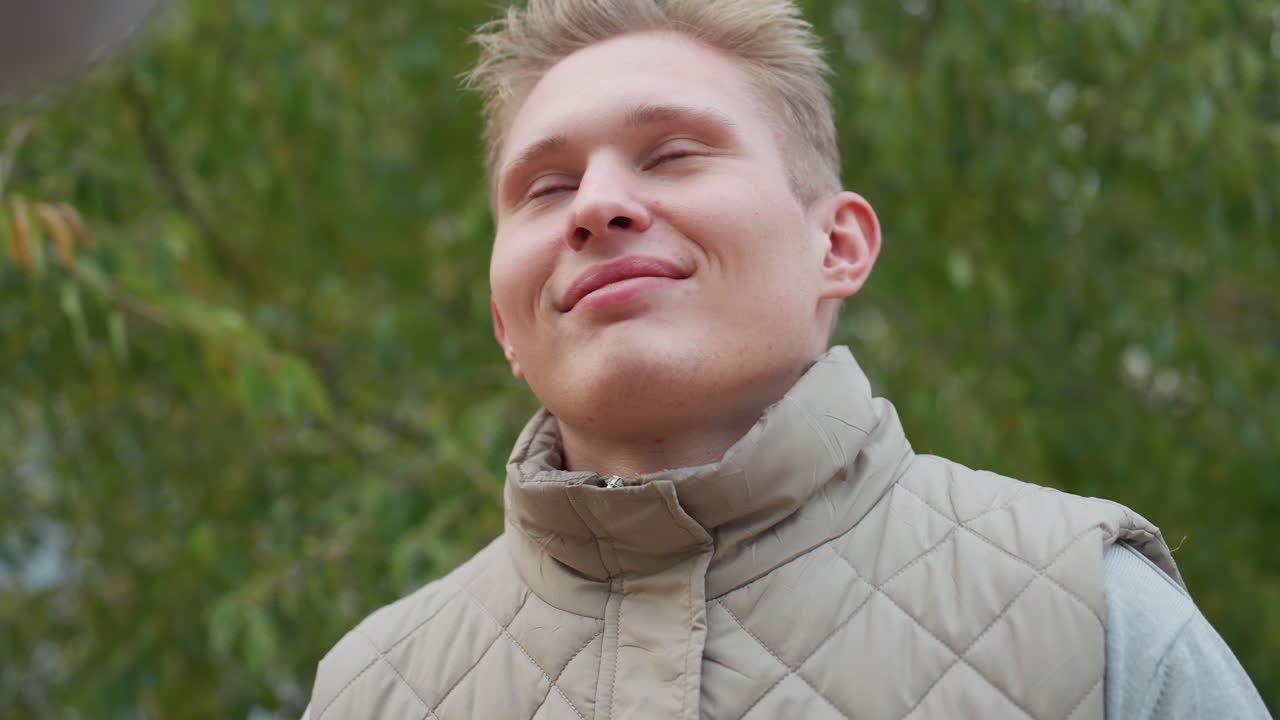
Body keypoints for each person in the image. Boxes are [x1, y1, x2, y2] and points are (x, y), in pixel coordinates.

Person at [303, 0, 1271, 718]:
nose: (595, 204)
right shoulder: (372, 691)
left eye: (673, 154)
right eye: (546, 186)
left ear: (837, 247)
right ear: (503, 325)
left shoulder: (1087, 620)